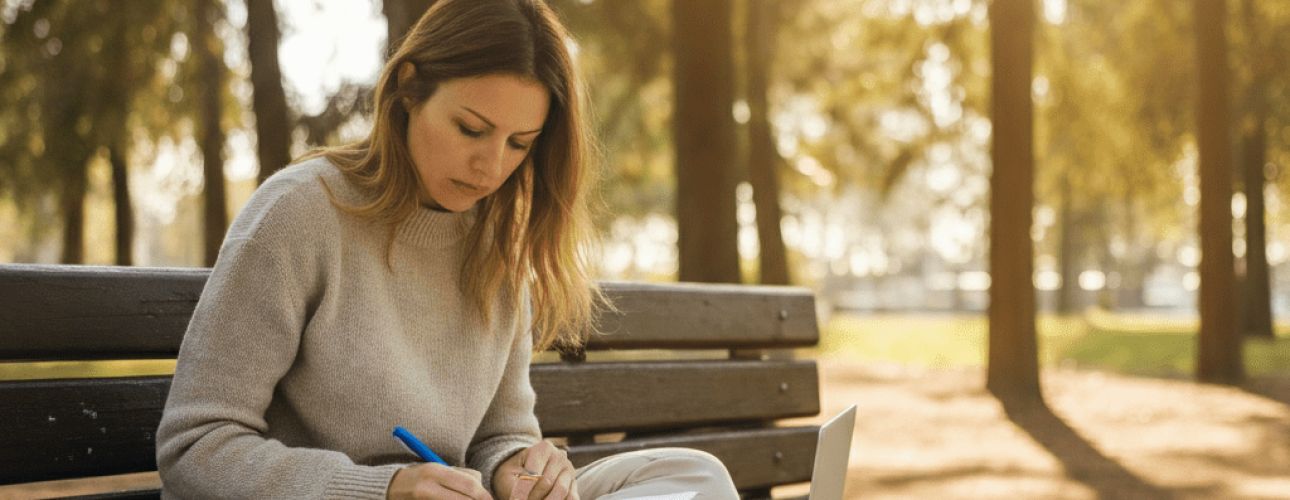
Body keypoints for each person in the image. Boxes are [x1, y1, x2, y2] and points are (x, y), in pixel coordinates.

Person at [154, 0, 740, 499]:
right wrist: (381, 488)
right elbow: (195, 447)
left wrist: (521, 469)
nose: (491, 167)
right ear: (410, 88)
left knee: (691, 474)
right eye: (471, 129)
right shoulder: (301, 213)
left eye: (519, 144)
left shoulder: (497, 245)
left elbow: (500, 434)